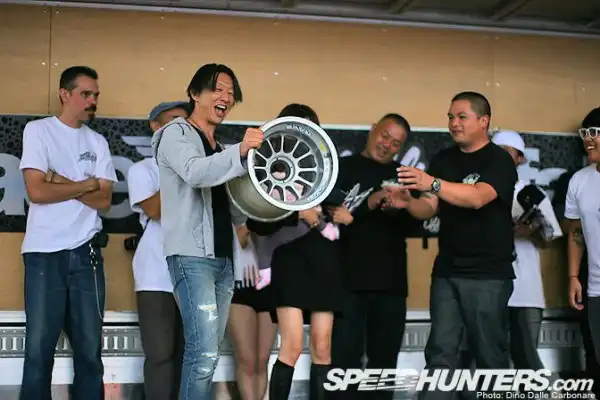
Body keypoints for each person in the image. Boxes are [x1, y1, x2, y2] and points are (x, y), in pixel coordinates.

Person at [150, 63, 264, 400]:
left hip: (223, 259)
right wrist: (239, 151)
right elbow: (195, 173)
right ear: (194, 94)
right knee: (203, 353)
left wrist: (267, 190)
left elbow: (232, 202)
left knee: (209, 353)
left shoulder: (220, 146)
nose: (225, 97)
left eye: (230, 93)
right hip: (191, 257)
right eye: (217, 89)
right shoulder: (176, 134)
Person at [394, 91, 518, 397]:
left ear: (483, 121)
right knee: (440, 352)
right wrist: (408, 203)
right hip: (447, 270)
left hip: (488, 274)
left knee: (490, 356)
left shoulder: (499, 160)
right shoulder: (443, 159)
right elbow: (429, 207)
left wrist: (432, 183)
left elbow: (477, 198)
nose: (454, 123)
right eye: (450, 117)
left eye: (462, 116)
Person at [19, 65, 118, 400]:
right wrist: (86, 184)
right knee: (38, 351)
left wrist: (60, 181)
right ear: (65, 94)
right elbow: (37, 191)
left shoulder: (97, 141)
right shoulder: (38, 131)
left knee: (90, 353)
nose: (92, 101)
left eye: (95, 95)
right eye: (85, 94)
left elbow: (104, 200)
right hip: (44, 254)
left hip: (87, 254)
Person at [246, 103, 342, 400]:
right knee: (292, 346)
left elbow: (337, 202)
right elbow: (257, 223)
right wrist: (297, 213)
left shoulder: (325, 164)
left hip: (324, 260)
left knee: (323, 346)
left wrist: (334, 213)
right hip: (288, 261)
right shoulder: (266, 164)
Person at [328, 114, 424, 400]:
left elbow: (417, 227)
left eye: (396, 143)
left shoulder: (405, 177)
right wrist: (372, 201)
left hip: (391, 284)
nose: (387, 145)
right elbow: (331, 218)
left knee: (384, 366)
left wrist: (400, 208)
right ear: (372, 130)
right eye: (385, 136)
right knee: (344, 362)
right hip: (348, 281)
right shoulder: (342, 168)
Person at [126, 101, 189, 400]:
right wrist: (177, 169)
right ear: (155, 126)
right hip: (155, 273)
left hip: (193, 273)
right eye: (174, 120)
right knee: (161, 354)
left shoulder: (198, 168)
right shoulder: (142, 169)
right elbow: (155, 209)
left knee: (190, 356)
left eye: (186, 123)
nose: (181, 128)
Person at [491, 130, 562, 369]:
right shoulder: (477, 193)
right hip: (487, 286)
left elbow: (548, 239)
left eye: (507, 153)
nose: (501, 158)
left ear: (520, 158)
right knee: (490, 359)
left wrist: (529, 231)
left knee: (527, 358)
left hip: (526, 289)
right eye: (496, 152)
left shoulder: (532, 194)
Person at [565, 107, 600, 391]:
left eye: (594, 132)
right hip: (595, 288)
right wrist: (574, 276)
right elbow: (575, 232)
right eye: (584, 133)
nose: (587, 138)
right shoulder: (579, 180)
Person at [228, 219, 277, 400]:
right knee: (247, 359)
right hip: (238, 284)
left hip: (268, 285)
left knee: (262, 360)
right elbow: (241, 238)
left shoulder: (270, 213)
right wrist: (252, 223)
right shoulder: (230, 211)